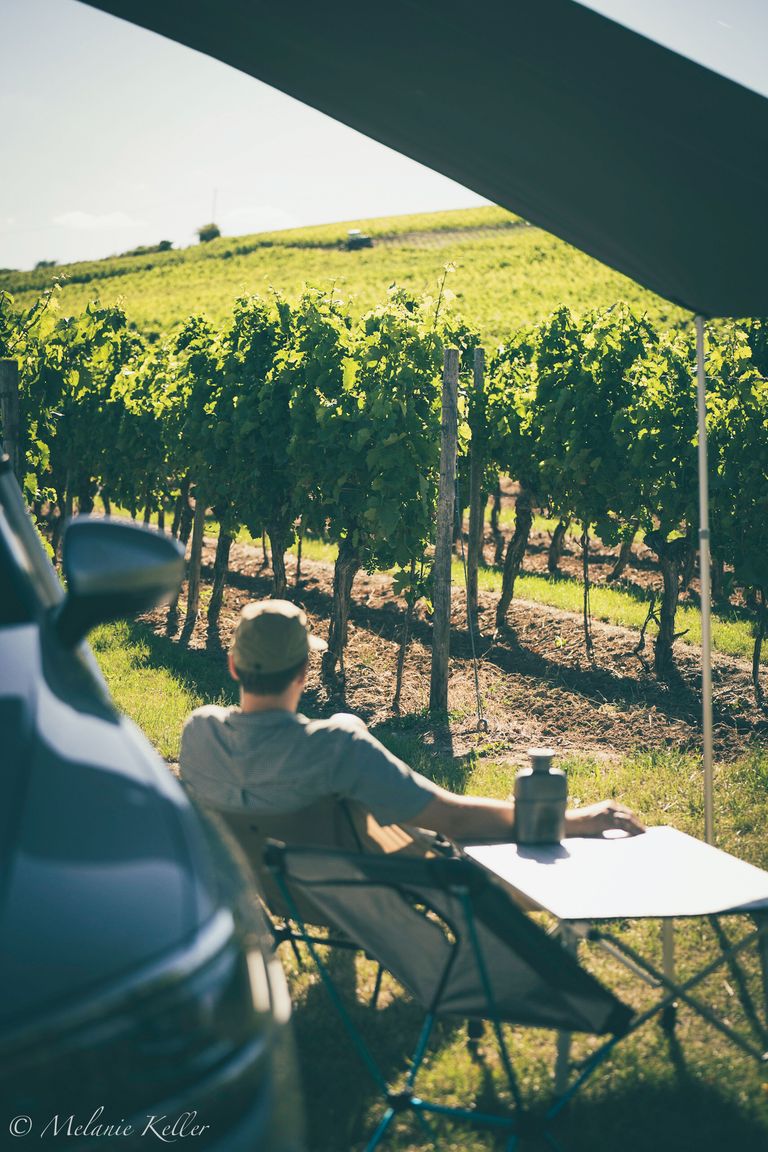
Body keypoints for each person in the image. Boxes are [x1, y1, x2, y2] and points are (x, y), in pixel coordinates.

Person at [180, 599, 644, 843]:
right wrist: (577, 820)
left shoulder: (199, 732)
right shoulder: (337, 748)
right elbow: (454, 819)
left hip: (279, 893)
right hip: (354, 895)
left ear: (233, 666)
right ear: (305, 671)